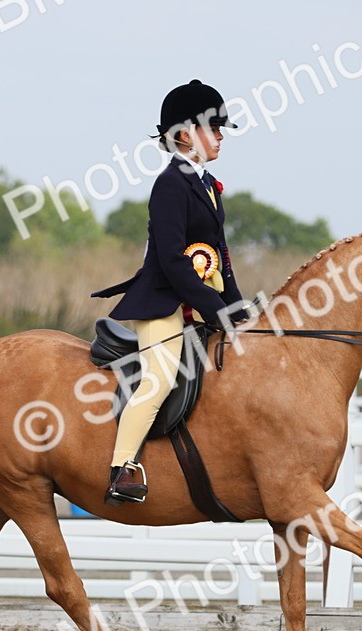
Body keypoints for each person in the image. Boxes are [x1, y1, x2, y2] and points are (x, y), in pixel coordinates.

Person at [91, 79, 250, 506]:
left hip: (197, 302)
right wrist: (215, 311)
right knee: (159, 380)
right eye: (212, 128)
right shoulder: (170, 184)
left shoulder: (209, 186)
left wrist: (236, 309)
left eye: (221, 129)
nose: (220, 136)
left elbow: (220, 257)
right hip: (163, 301)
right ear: (184, 135)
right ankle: (122, 467)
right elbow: (176, 262)